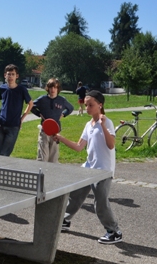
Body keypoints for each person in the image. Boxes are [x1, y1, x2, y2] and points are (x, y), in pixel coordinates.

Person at [53, 90, 122, 244]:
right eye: (86, 105)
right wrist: (61, 138)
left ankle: (114, 231)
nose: (88, 108)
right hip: (88, 168)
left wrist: (102, 125)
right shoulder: (88, 124)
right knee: (75, 195)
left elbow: (111, 145)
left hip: (103, 170)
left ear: (100, 105)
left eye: (91, 105)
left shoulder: (107, 122)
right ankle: (65, 220)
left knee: (100, 203)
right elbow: (79, 147)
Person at [31, 78, 74, 162]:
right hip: (44, 131)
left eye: (55, 87)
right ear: (48, 88)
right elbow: (32, 106)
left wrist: (63, 114)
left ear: (58, 89)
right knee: (43, 157)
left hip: (56, 132)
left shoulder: (62, 100)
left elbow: (70, 108)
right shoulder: (42, 99)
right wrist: (39, 114)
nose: (53, 89)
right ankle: (41, 173)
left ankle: (51, 174)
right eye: (51, 87)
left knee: (53, 158)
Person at [0, 64, 33, 156]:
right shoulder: (2, 88)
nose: (10, 76)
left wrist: (22, 118)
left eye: (13, 74)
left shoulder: (22, 89)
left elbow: (30, 104)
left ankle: (2, 169)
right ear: (5, 75)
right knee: (1, 151)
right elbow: (3, 102)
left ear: (17, 76)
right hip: (0, 124)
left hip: (13, 125)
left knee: (4, 153)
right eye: (9, 74)